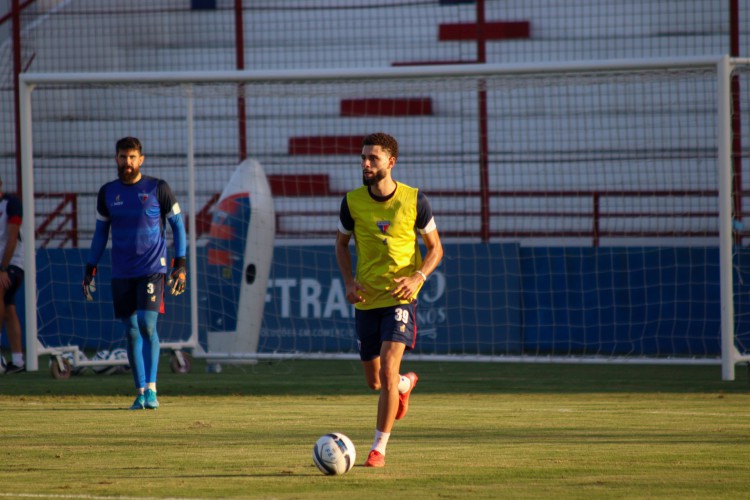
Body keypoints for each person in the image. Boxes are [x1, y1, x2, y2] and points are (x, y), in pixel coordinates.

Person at [335, 132, 444, 468]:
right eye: (363, 158)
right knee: (377, 380)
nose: (366, 164)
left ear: (391, 162)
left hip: (401, 298)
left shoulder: (415, 200)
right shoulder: (352, 201)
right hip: (367, 299)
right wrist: (350, 282)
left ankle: (378, 449)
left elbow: (435, 249)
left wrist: (418, 277)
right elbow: (341, 245)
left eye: (373, 159)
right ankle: (403, 384)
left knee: (389, 360)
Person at [82, 137, 187, 410]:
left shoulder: (158, 188)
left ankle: (152, 390)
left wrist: (181, 264)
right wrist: (90, 267)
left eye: (132, 157)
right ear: (116, 159)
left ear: (141, 159)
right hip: (121, 272)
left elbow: (178, 226)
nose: (127, 162)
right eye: (122, 157)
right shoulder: (107, 193)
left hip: (152, 269)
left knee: (146, 324)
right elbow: (100, 233)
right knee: (130, 331)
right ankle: (140, 392)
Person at [0, 175, 26, 374]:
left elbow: (12, 237)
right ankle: (18, 361)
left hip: (13, 264)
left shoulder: (11, 203)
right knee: (8, 309)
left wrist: (2, 268)